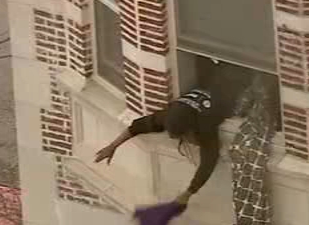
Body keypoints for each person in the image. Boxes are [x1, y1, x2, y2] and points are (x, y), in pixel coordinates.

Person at [95, 85, 225, 205]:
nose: (180, 139)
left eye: (183, 136)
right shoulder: (166, 117)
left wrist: (188, 193)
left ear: (193, 131)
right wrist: (112, 146)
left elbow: (208, 163)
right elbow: (136, 127)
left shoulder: (206, 126)